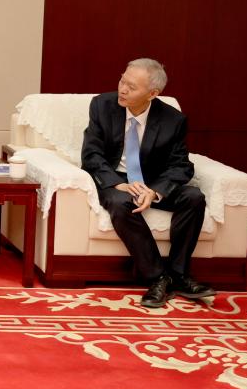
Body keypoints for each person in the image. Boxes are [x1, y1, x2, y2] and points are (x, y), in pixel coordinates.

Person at [81, 58, 214, 308]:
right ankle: (158, 277)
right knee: (120, 202)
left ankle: (179, 274)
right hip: (116, 179)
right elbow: (91, 154)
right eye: (122, 81)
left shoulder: (173, 120)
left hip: (151, 182)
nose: (122, 89)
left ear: (152, 93)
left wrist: (155, 192)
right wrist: (116, 184)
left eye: (131, 87)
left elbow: (181, 165)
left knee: (194, 197)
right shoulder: (102, 105)